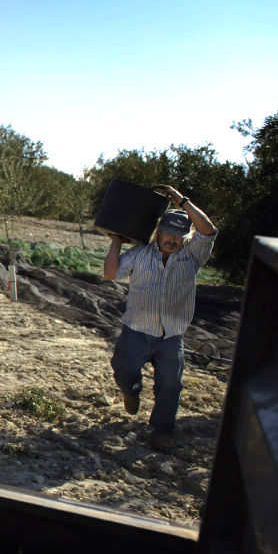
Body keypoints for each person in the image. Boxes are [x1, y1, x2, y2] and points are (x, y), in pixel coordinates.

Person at [103, 184, 217, 452]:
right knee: (123, 373)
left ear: (186, 238)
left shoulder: (192, 256)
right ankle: (131, 391)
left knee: (170, 385)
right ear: (158, 232)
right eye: (169, 233)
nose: (173, 240)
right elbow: (111, 274)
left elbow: (209, 230)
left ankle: (162, 430)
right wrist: (116, 241)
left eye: (180, 235)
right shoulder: (140, 255)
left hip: (171, 337)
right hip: (136, 332)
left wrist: (182, 201)